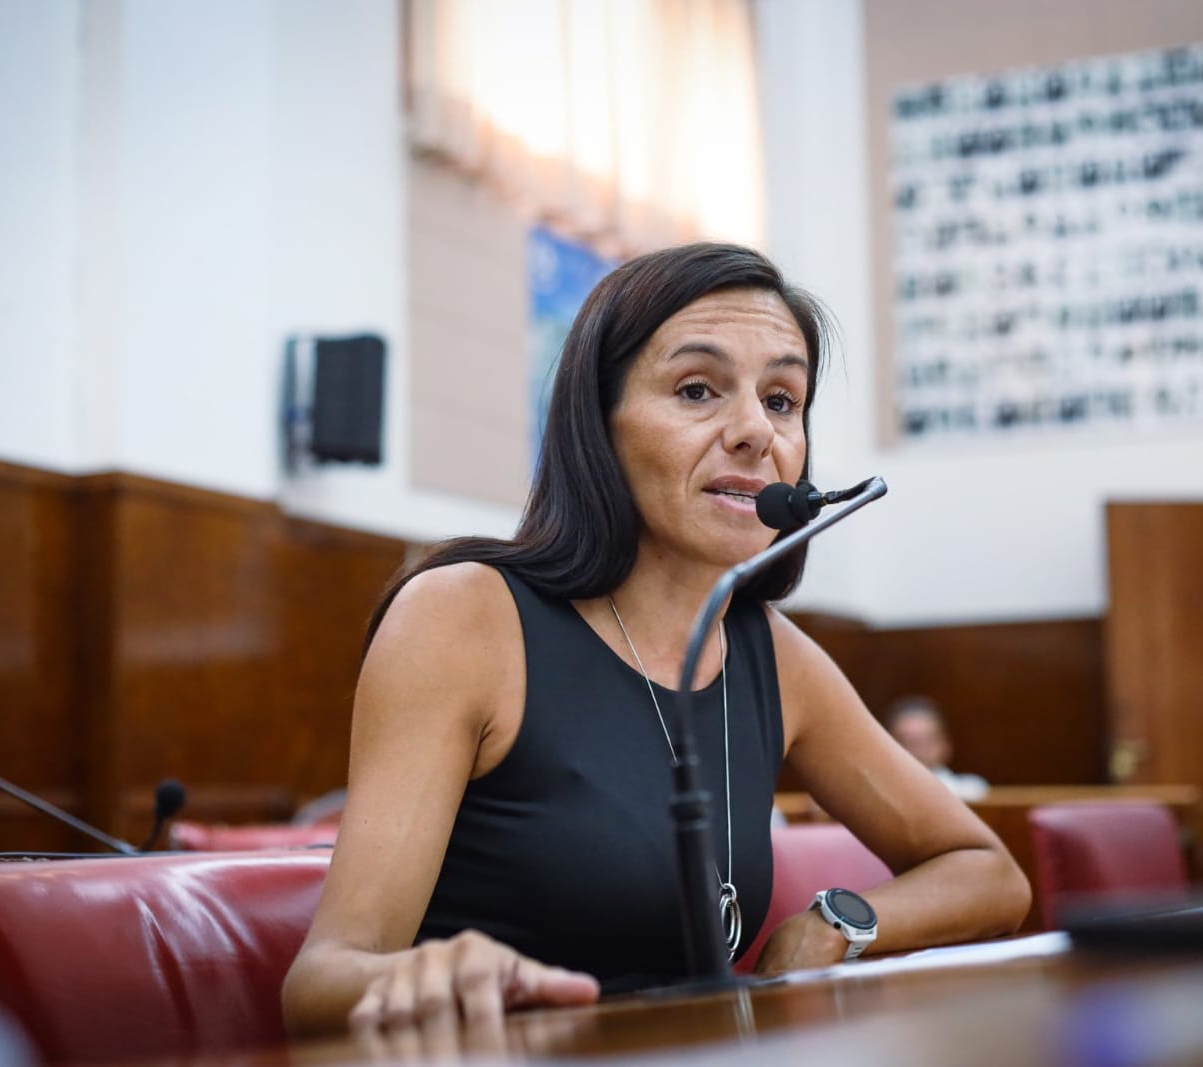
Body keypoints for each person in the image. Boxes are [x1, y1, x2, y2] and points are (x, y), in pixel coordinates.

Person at [281, 243, 1030, 1037]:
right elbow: (321, 981)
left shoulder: (772, 653)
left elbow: (989, 873)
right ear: (597, 424)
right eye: (697, 389)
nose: (755, 431)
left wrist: (836, 923)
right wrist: (432, 977)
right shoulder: (462, 616)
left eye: (782, 400)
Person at [886, 697, 990, 802]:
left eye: (926, 741)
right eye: (906, 741)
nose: (917, 750)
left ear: (946, 745)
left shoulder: (972, 790)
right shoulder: (881, 795)